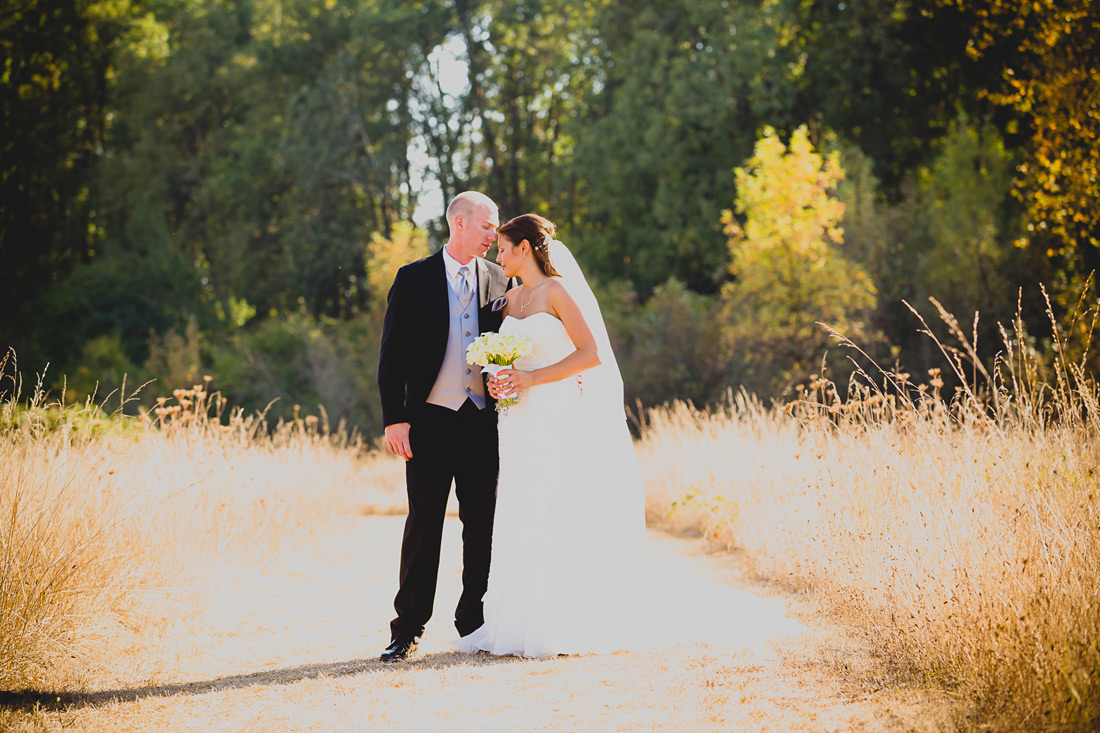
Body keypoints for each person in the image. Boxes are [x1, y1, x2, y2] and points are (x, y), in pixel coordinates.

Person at [453, 213, 652, 657]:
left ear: (525, 249)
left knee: (552, 500)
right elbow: (504, 353)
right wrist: (499, 376)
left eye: (503, 248)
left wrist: (530, 379)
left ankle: (561, 619)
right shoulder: (510, 297)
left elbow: (590, 354)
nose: (497, 256)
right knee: (520, 503)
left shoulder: (557, 291)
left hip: (553, 411)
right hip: (517, 417)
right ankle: (515, 622)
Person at [376, 191, 514, 662]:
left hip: (482, 422)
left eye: (495, 228)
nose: (493, 236)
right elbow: (391, 355)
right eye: (486, 226)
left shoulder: (499, 278)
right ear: (459, 222)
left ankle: (473, 624)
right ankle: (407, 628)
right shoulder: (413, 278)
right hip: (429, 422)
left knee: (482, 524)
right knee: (424, 524)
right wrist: (395, 418)